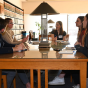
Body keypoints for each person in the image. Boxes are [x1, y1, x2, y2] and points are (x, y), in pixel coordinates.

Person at [48, 16, 85, 87]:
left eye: (77, 21)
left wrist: (78, 44)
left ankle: (61, 77)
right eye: (56, 24)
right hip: (57, 47)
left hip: (78, 51)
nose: (56, 26)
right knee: (67, 59)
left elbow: (65, 41)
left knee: (69, 61)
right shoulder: (80, 31)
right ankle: (62, 77)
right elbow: (53, 39)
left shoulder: (82, 32)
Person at [0, 18, 31, 88]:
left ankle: (28, 84)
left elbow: (5, 44)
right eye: (1, 28)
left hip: (3, 57)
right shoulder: (4, 33)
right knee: (13, 70)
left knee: (17, 65)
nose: (2, 30)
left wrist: (16, 46)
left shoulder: (1, 35)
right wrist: (14, 48)